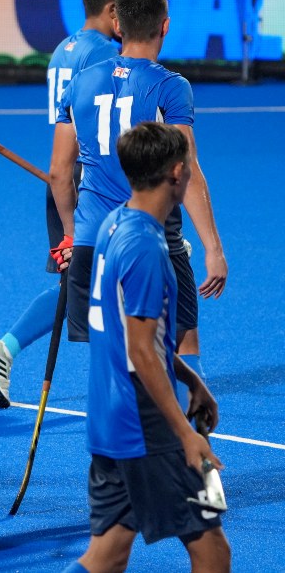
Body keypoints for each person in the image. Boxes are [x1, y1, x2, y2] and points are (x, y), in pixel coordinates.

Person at [48, 0, 227, 412]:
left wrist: (71, 235)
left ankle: (116, 454)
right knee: (182, 337)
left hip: (92, 239)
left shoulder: (81, 82)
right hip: (151, 235)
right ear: (165, 26)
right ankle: (192, 450)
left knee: (108, 348)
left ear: (117, 25)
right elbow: (187, 170)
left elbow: (59, 173)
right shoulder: (170, 87)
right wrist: (213, 248)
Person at [61, 121, 228, 573]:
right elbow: (140, 350)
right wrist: (184, 434)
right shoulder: (147, 247)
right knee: (213, 549)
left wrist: (190, 378)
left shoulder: (116, 224)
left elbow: (130, 334)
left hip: (109, 416)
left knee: (108, 553)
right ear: (177, 172)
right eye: (190, 166)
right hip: (145, 425)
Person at [0, 0, 138, 409]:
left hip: (64, 183)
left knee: (77, 285)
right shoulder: (107, 54)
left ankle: (6, 348)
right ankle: (122, 389)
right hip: (95, 188)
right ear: (112, 11)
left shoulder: (62, 51)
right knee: (110, 286)